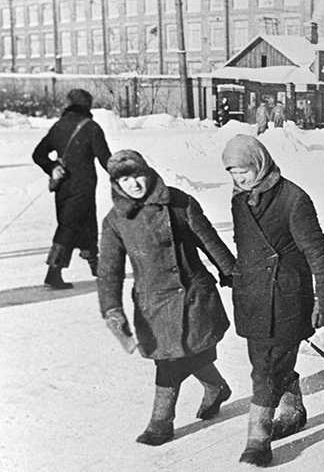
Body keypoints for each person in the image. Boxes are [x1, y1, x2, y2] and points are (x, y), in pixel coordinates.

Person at [96, 150, 237, 446]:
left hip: (193, 294)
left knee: (173, 359)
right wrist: (111, 309)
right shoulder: (115, 221)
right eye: (124, 179)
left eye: (137, 175)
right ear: (115, 184)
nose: (133, 184)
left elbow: (208, 239)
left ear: (147, 172)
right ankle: (217, 387)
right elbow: (109, 270)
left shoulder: (178, 201)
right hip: (154, 303)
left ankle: (161, 422)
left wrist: (232, 273)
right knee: (177, 352)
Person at [221, 135, 324, 467]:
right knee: (266, 363)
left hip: (288, 298)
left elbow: (317, 252)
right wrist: (235, 272)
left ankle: (257, 440)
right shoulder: (240, 200)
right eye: (232, 172)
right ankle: (294, 409)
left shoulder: (293, 199)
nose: (239, 178)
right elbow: (245, 247)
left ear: (259, 162)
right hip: (254, 297)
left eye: (243, 170)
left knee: (266, 370)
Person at [32, 88, 111, 289]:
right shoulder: (91, 127)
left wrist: (52, 167)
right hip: (84, 186)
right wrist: (123, 174)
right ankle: (54, 272)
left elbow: (38, 154)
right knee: (70, 225)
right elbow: (105, 159)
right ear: (87, 106)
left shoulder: (58, 126)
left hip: (62, 187)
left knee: (80, 223)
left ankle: (96, 267)